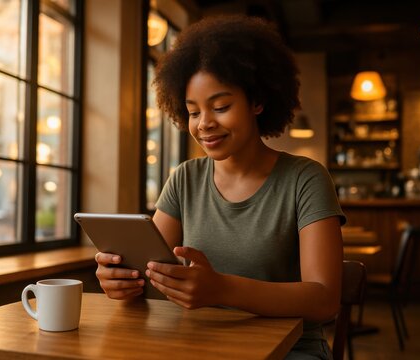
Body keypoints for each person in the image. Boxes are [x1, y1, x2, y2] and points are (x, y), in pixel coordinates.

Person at [95, 14, 345, 360]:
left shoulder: (305, 179)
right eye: (193, 112)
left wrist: (222, 289)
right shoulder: (185, 178)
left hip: (290, 350)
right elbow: (151, 270)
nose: (204, 124)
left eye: (221, 106)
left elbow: (325, 300)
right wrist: (122, 282)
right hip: (198, 344)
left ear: (258, 101)